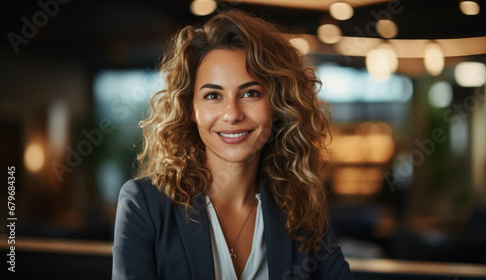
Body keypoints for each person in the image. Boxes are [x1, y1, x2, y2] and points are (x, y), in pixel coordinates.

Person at [112, 9, 354, 280]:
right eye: (213, 95)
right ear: (191, 109)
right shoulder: (145, 204)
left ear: (276, 105)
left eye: (250, 93)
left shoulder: (302, 209)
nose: (232, 114)